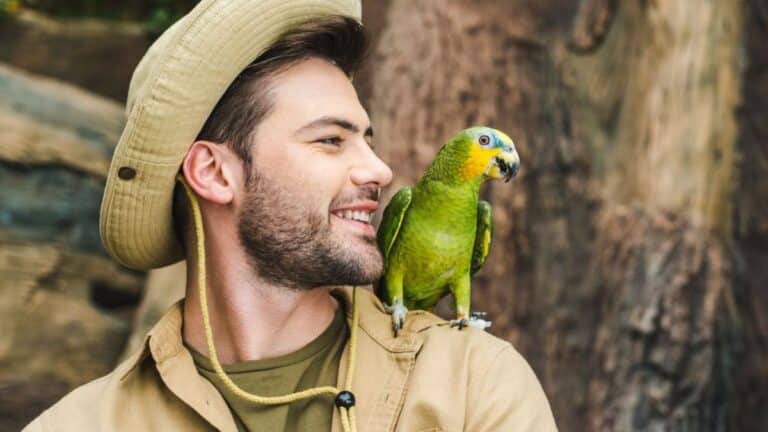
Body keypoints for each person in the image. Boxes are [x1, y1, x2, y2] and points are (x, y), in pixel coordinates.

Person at [24, 0, 558, 431]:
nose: (380, 170)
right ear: (214, 173)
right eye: (331, 140)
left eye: (366, 140)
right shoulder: (82, 424)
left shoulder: (472, 384)